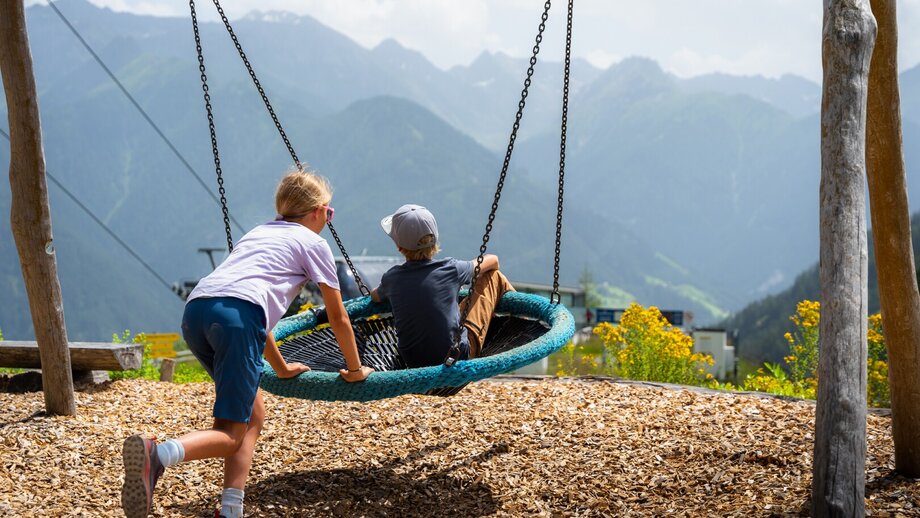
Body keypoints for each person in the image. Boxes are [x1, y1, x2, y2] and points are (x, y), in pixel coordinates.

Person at [120, 170, 374, 518]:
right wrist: (356, 369)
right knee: (230, 435)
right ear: (317, 211)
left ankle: (231, 509)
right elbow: (338, 315)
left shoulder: (260, 233)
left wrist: (281, 368)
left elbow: (258, 314)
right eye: (329, 214)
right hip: (236, 320)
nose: (328, 222)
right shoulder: (313, 243)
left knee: (252, 416)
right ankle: (158, 454)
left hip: (197, 312)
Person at [370, 204, 515, 367]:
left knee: (456, 307)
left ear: (399, 247)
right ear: (434, 241)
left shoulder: (392, 278)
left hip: (412, 364)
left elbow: (375, 296)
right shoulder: (451, 269)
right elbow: (493, 260)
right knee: (493, 277)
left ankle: (507, 320)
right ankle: (516, 324)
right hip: (454, 360)